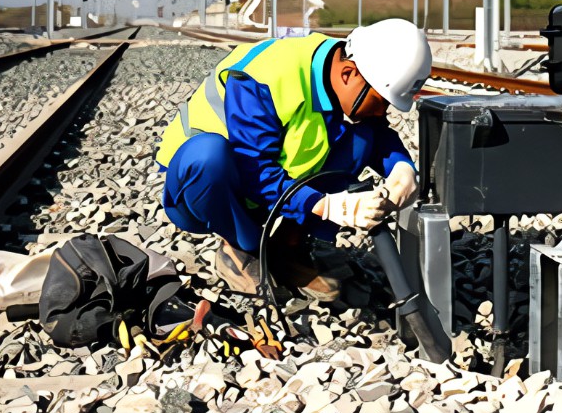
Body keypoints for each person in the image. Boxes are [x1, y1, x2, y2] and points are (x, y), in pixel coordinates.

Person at [155, 19, 431, 302]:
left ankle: (286, 249)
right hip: (203, 193)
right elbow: (255, 169)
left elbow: (375, 132)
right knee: (208, 156)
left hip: (267, 191)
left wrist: (401, 167)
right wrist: (325, 205)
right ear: (348, 74)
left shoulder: (335, 66)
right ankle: (239, 249)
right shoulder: (264, 78)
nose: (382, 111)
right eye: (382, 101)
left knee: (361, 138)